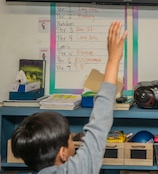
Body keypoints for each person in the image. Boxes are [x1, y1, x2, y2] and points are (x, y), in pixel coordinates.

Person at [11, 21, 127, 173]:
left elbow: (100, 124)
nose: (72, 141)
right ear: (63, 153)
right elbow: (99, 122)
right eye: (70, 139)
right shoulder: (79, 169)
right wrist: (113, 59)